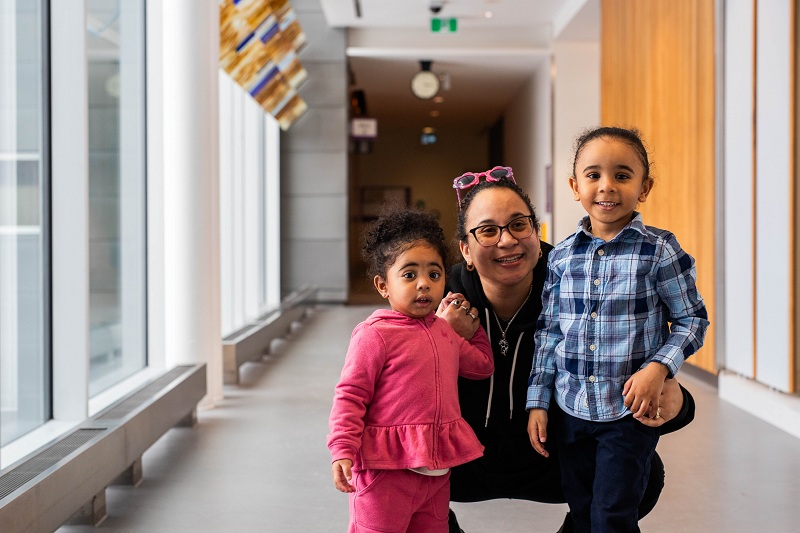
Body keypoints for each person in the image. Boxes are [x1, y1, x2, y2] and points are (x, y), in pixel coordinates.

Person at [437, 165, 697, 533]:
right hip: (464, 460)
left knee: (644, 474)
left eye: (518, 225)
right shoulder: (437, 300)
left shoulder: (577, 286)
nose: (507, 240)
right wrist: (438, 341)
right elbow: (391, 393)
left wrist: (679, 403)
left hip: (554, 456)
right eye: (488, 231)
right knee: (388, 468)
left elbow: (635, 374)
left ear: (535, 230)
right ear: (465, 248)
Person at [526, 127, 709, 533]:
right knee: (581, 509)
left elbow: (692, 320)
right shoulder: (560, 257)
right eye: (593, 175)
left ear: (644, 187)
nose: (606, 186)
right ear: (574, 186)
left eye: (622, 175)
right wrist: (538, 401)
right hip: (570, 409)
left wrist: (658, 368)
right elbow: (549, 333)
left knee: (612, 516)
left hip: (629, 413)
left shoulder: (660, 250)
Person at [327, 208, 495, 533]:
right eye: (409, 275)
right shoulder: (374, 334)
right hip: (384, 472)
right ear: (383, 285)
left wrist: (471, 328)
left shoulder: (444, 331)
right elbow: (350, 395)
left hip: (436, 476)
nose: (423, 284)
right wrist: (341, 449)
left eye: (434, 274)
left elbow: (482, 366)